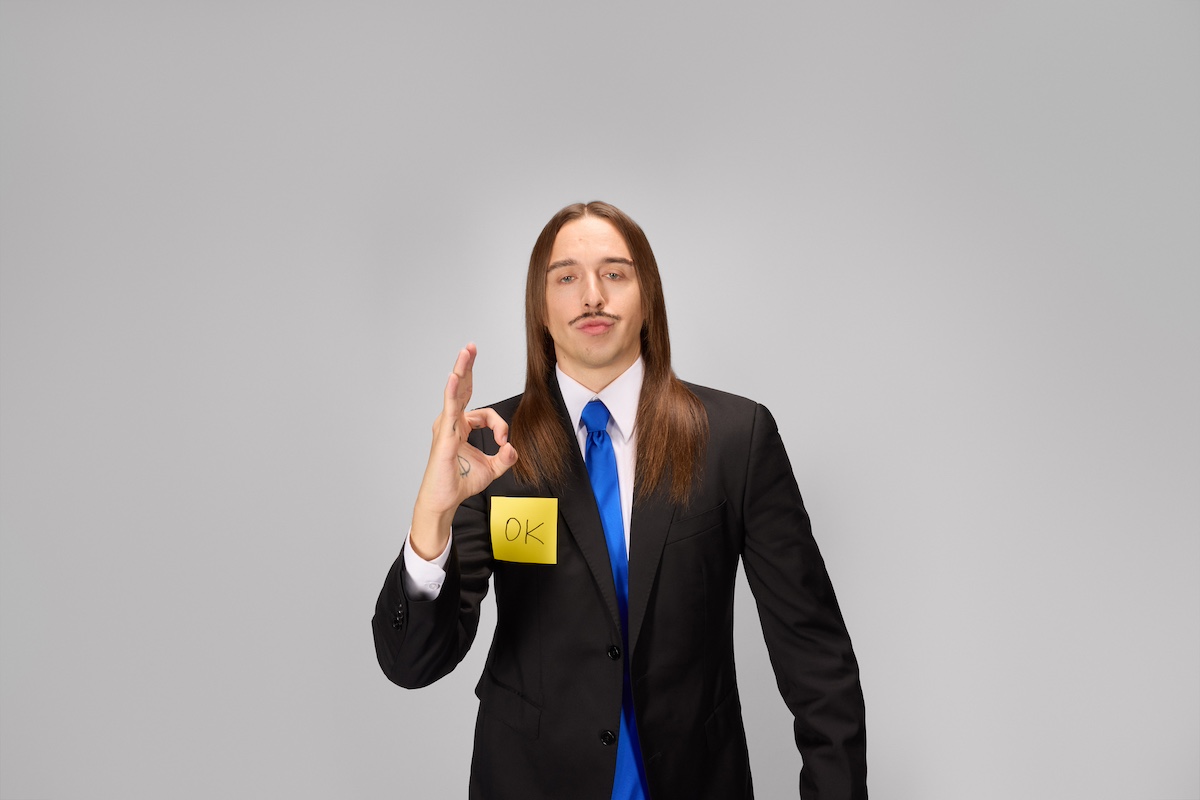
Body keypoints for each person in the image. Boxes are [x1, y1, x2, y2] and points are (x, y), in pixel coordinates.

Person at [373, 201, 867, 799]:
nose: (592, 296)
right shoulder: (489, 447)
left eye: (614, 273)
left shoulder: (737, 438)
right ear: (540, 309)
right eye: (566, 277)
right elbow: (413, 664)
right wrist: (433, 515)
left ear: (647, 298)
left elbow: (815, 656)